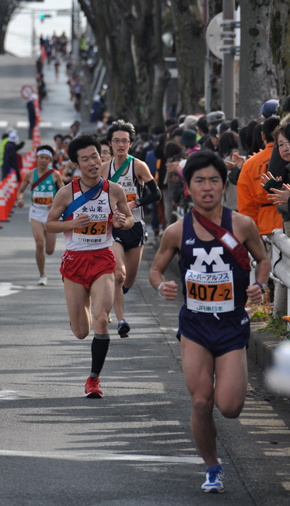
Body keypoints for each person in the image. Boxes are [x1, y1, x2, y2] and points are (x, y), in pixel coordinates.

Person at [149, 150, 270, 493]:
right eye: (199, 181)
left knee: (229, 407)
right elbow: (155, 270)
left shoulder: (242, 224)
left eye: (213, 180)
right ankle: (212, 467)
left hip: (231, 325)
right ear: (187, 188)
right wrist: (163, 286)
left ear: (223, 185)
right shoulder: (176, 231)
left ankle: (223, 389)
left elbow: (262, 261)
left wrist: (259, 284)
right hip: (196, 327)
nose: (207, 187)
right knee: (201, 401)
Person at [45, 135, 134, 397]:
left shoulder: (114, 190)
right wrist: (72, 224)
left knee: (101, 322)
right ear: (77, 164)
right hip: (74, 262)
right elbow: (50, 224)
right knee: (81, 332)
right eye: (85, 159)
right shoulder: (66, 192)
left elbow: (129, 220)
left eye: (95, 156)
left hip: (103, 259)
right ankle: (77, 313)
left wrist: (121, 222)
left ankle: (93, 380)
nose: (93, 162)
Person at [101, 119, 161, 338]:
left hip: (135, 227)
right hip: (114, 228)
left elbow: (156, 194)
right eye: (116, 141)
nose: (120, 145)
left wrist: (133, 204)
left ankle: (115, 295)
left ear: (131, 144)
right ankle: (121, 320)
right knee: (118, 275)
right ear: (110, 143)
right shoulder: (104, 168)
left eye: (124, 141)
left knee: (129, 280)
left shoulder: (138, 166)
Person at [17, 145, 64, 285]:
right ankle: (42, 274)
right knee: (39, 244)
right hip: (36, 212)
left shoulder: (55, 174)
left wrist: (55, 202)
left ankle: (43, 268)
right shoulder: (30, 174)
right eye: (41, 157)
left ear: (50, 160)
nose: (43, 160)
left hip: (51, 214)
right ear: (37, 158)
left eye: (46, 158)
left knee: (49, 250)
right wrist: (20, 199)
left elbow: (63, 192)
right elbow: (20, 191)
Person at [237, 116, 282, 236]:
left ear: (263, 136)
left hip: (265, 226)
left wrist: (252, 234)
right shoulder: (286, 157)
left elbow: (246, 205)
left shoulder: (249, 164)